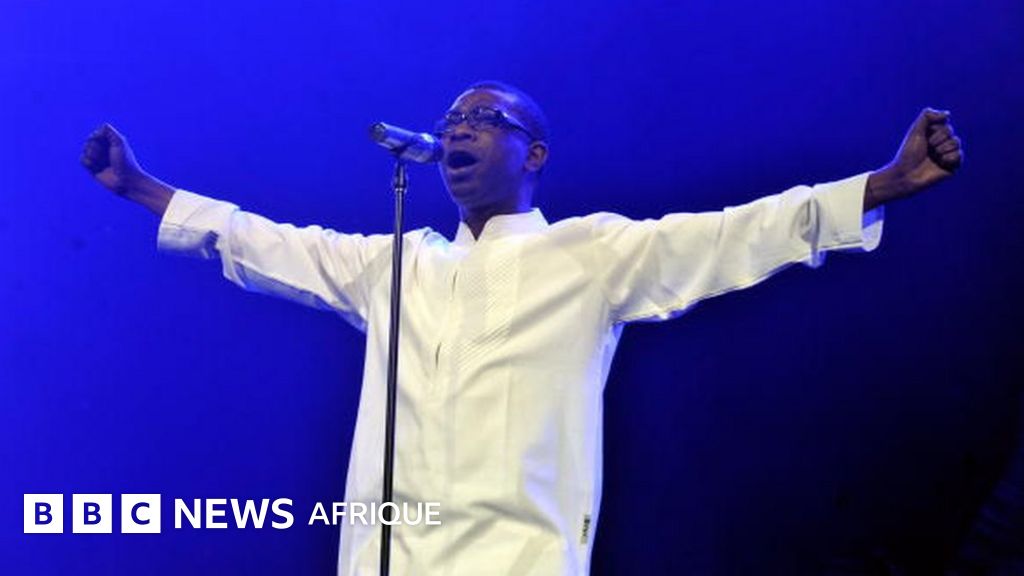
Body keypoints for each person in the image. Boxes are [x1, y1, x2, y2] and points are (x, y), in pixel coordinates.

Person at [80, 81, 962, 576]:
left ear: (534, 153)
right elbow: (266, 242)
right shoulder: (396, 262)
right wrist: (141, 188)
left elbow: (733, 235)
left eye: (484, 120)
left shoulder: (590, 254)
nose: (458, 130)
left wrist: (881, 185)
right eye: (452, 121)